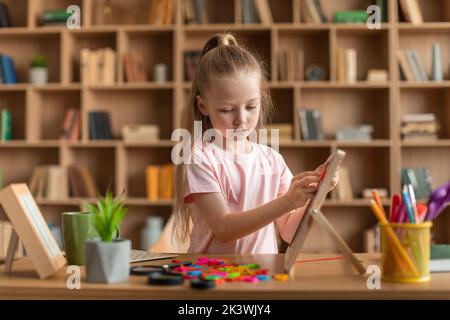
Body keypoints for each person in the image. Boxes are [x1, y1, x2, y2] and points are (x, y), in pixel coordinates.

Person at [172, 33, 338, 254]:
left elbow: (289, 231)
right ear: (203, 106)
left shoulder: (272, 160)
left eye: (251, 107)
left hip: (259, 275)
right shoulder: (200, 158)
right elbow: (224, 228)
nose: (241, 119)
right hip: (212, 276)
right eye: (227, 110)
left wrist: (316, 193)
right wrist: (288, 201)